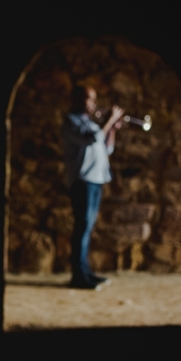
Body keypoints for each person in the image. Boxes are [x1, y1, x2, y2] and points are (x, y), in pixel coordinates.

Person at [61, 85, 124, 290]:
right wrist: (109, 121)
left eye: (94, 99)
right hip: (82, 180)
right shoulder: (71, 122)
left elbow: (107, 148)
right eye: (90, 99)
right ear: (77, 99)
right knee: (82, 227)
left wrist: (112, 130)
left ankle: (85, 271)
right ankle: (78, 276)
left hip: (97, 179)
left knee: (87, 228)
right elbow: (91, 139)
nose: (94, 104)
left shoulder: (91, 123)